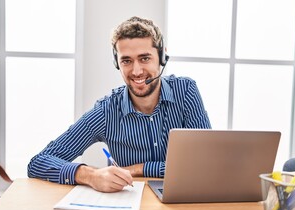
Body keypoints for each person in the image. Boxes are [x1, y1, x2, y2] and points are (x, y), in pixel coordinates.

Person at [27, 16, 211, 193]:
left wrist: (138, 169)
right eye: (126, 61)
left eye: (144, 58)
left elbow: (206, 162)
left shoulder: (186, 91)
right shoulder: (106, 111)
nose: (136, 71)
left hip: (184, 204)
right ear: (117, 63)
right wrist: (91, 175)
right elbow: (39, 162)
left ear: (162, 57)